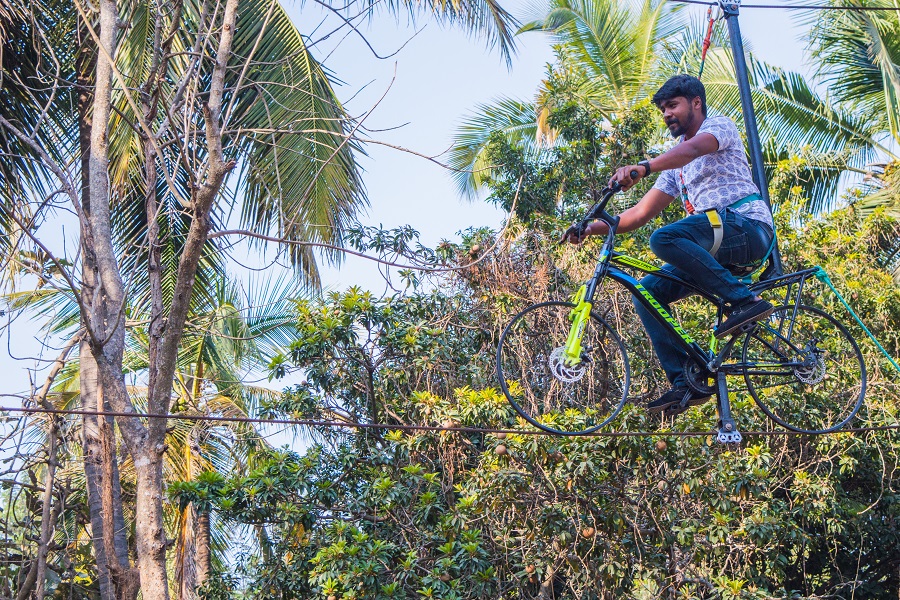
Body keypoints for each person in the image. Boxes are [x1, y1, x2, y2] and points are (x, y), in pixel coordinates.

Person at [565, 74, 775, 415]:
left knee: (665, 238)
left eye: (672, 105)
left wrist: (643, 167)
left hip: (746, 227)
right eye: (663, 109)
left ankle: (744, 300)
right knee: (648, 291)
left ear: (696, 103)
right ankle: (686, 383)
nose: (667, 114)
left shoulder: (719, 126)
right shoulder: (675, 169)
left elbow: (691, 149)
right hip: (715, 241)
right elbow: (637, 214)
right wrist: (590, 228)